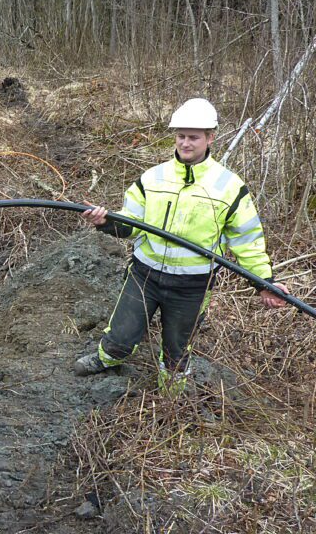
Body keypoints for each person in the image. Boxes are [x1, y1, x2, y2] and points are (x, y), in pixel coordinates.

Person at [74, 98, 289, 394]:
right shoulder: (153, 178)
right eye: (181, 136)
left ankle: (171, 398)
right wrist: (105, 222)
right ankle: (108, 358)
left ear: (210, 137)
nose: (186, 143)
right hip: (144, 276)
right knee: (122, 335)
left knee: (177, 347)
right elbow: (130, 223)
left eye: (194, 137)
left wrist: (265, 282)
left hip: (193, 286)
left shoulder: (229, 187)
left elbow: (248, 241)